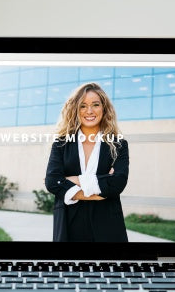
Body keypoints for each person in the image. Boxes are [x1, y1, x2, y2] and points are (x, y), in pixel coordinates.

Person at [45, 82, 129, 242]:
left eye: (95, 105)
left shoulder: (118, 144)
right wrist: (98, 192)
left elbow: (117, 183)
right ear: (75, 109)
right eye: (83, 106)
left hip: (107, 226)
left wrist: (71, 181)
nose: (89, 111)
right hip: (68, 226)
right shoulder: (61, 143)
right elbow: (52, 182)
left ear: (104, 108)